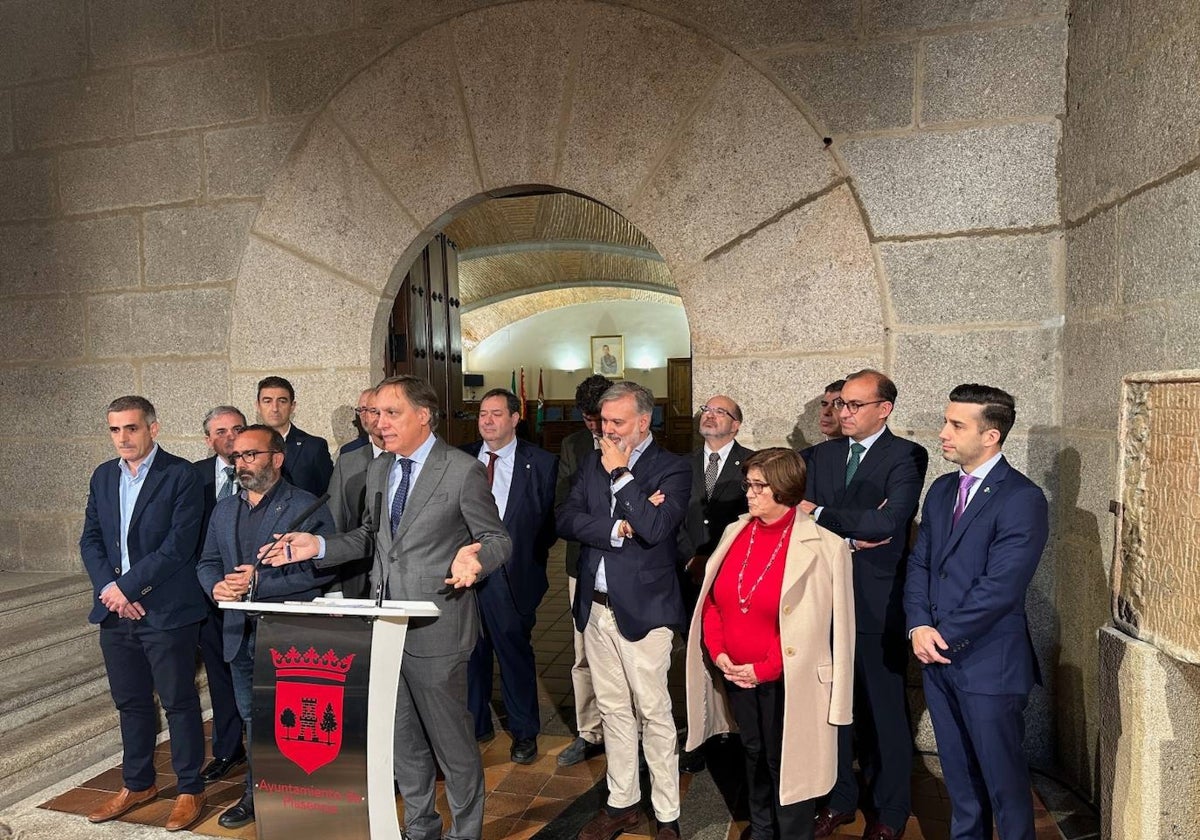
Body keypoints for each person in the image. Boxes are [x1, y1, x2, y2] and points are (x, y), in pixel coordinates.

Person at [259, 375, 512, 840]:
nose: (379, 423)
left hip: (437, 627)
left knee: (451, 744)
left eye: (391, 413)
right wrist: (314, 545)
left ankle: (465, 832)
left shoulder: (461, 470)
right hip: (383, 627)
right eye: (375, 413)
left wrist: (476, 559)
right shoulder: (380, 469)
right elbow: (371, 537)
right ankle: (421, 826)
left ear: (424, 415)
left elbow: (498, 538)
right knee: (403, 743)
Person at [685, 448, 854, 840]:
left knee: (790, 763)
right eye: (749, 484)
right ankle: (762, 828)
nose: (750, 493)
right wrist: (720, 653)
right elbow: (713, 601)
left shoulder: (825, 546)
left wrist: (763, 669)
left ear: (785, 487)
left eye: (759, 485)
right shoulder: (736, 531)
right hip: (736, 672)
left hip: (787, 679)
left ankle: (793, 834)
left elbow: (821, 628)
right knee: (754, 752)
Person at [905, 385, 1048, 840]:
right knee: (959, 780)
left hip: (989, 664)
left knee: (1003, 784)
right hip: (936, 657)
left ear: (991, 436)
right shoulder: (943, 489)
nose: (943, 433)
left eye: (956, 425)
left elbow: (1001, 588)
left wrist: (941, 634)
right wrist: (918, 625)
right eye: (946, 421)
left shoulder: (1021, 497)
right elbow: (921, 563)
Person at [558, 381, 691, 840]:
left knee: (654, 712)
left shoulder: (672, 468)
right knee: (613, 710)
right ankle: (623, 803)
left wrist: (623, 477)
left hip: (646, 612)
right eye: (602, 422)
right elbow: (566, 519)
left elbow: (655, 529)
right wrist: (618, 527)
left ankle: (667, 812)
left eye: (616, 423)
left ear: (643, 421)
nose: (605, 431)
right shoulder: (593, 463)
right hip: (594, 609)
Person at [801, 369, 928, 840]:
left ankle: (891, 811)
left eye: (854, 405)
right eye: (838, 404)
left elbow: (891, 521)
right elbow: (796, 517)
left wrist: (818, 514)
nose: (842, 412)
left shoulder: (907, 455)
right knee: (833, 707)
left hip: (877, 602)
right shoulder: (821, 455)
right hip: (825, 598)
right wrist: (851, 536)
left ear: (884, 408)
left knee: (884, 710)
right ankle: (839, 799)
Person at [197, 424, 336, 829]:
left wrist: (261, 583)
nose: (242, 463)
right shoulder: (224, 510)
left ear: (277, 458)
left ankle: (299, 796)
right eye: (237, 456)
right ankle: (255, 794)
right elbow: (206, 562)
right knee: (252, 720)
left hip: (288, 634)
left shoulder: (304, 505)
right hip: (239, 634)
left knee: (294, 722)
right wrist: (217, 587)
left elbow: (322, 569)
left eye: (251, 455)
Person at [79, 396, 208, 831]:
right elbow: (90, 540)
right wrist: (110, 591)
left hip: (166, 610)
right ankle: (138, 783)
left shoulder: (182, 475)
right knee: (131, 703)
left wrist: (127, 588)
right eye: (115, 430)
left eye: (131, 428)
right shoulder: (102, 476)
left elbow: (178, 546)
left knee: (178, 702)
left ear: (153, 428)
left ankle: (190, 787)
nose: (122, 438)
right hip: (116, 612)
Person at [462, 389, 558, 763]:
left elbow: (548, 524)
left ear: (516, 418)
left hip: (512, 575)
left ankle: (523, 732)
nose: (487, 420)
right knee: (471, 653)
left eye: (496, 414)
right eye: (483, 414)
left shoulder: (542, 463)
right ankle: (477, 725)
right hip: (467, 571)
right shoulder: (463, 457)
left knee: (514, 654)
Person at [554, 373, 612, 767]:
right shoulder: (573, 445)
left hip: (628, 563)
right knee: (583, 652)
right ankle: (590, 731)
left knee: (629, 651)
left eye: (599, 416)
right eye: (587, 417)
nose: (594, 426)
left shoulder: (633, 440)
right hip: (582, 561)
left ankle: (634, 727)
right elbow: (564, 507)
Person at [192, 406, 248, 783]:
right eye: (222, 431)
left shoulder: (262, 469)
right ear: (209, 439)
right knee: (220, 674)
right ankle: (229, 749)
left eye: (238, 429)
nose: (230, 437)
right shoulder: (191, 476)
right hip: (209, 594)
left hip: (255, 592)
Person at [325, 387, 384, 598]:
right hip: (356, 575)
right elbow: (335, 522)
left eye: (375, 410)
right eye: (363, 410)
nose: (369, 417)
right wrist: (333, 587)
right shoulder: (348, 460)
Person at [256, 375, 334, 496]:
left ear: (292, 406)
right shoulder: (246, 448)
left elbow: (327, 495)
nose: (275, 408)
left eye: (282, 401)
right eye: (267, 401)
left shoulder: (314, 448)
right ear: (258, 406)